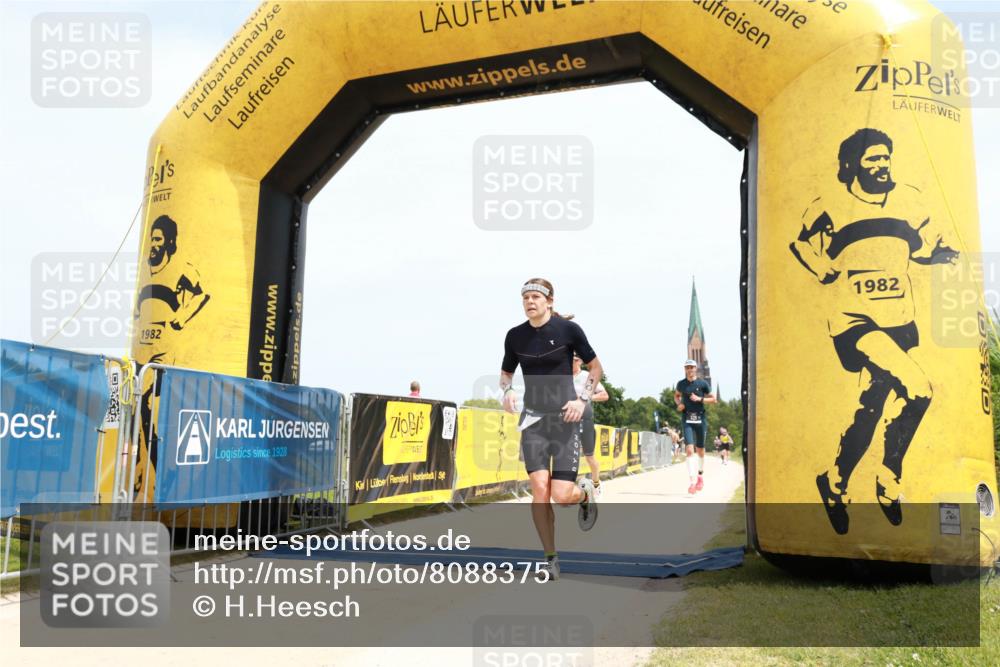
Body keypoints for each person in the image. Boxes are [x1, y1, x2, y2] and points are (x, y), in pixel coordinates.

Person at [789, 128, 957, 534]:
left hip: (899, 319)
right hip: (854, 321)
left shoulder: (909, 200)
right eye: (873, 159)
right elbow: (801, 242)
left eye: (885, 158)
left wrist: (939, 256)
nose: (882, 166)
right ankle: (889, 477)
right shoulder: (830, 204)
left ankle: (834, 481)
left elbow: (917, 250)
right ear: (853, 165)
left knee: (869, 408)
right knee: (919, 388)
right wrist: (821, 267)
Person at [501, 278, 603, 581]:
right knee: (540, 490)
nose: (530, 302)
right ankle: (550, 558)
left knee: (561, 495)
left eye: (536, 297)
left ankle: (584, 495)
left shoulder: (568, 330)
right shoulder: (515, 336)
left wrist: (582, 400)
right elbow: (506, 373)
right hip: (533, 422)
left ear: (549, 301)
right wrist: (507, 390)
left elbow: (596, 368)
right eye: (525, 298)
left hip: (565, 421)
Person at [131, 214, 210, 495]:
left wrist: (181, 317)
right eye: (151, 239)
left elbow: (200, 295)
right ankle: (149, 469)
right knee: (138, 408)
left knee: (147, 404)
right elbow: (138, 309)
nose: (153, 244)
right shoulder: (145, 271)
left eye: (158, 239)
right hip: (143, 350)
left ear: (169, 242)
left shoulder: (181, 269)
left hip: (164, 353)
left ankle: (156, 470)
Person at [675, 359, 717, 494]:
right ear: (685, 369)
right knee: (689, 450)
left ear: (695, 369)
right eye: (687, 367)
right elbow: (676, 396)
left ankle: (700, 476)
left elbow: (714, 399)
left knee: (700, 450)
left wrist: (700, 399)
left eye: (691, 367)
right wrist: (679, 404)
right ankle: (692, 482)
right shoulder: (681, 384)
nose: (690, 370)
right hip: (687, 419)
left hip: (700, 419)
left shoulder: (702, 383)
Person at [572, 352, 609, 496]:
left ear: (580, 362)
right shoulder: (563, 377)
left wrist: (586, 397)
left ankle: (596, 484)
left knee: (589, 457)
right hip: (567, 420)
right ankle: (568, 487)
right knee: (567, 455)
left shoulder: (587, 376)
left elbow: (604, 395)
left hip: (584, 420)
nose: (571, 362)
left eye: (574, 360)